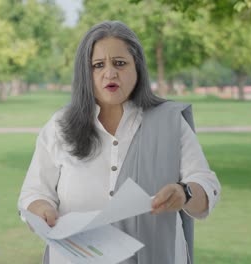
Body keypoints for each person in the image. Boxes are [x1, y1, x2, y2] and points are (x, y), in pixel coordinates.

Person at [18, 20, 221, 264]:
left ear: (138, 68)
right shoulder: (60, 125)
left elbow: (205, 184)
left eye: (120, 63)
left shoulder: (170, 122)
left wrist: (185, 193)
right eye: (98, 65)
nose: (110, 73)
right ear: (86, 73)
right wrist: (42, 210)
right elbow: (33, 194)